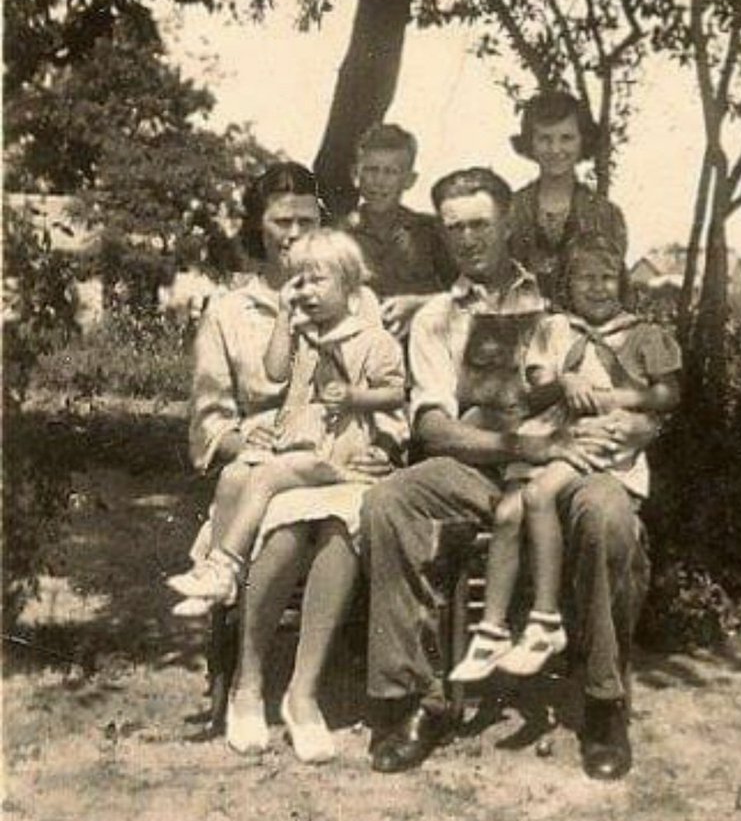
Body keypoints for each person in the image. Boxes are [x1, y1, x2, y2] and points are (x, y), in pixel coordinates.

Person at [362, 167, 658, 780]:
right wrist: (514, 442)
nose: (468, 239)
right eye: (454, 229)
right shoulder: (436, 317)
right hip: (482, 464)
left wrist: (622, 429)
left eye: (480, 224)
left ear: (506, 225)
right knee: (391, 500)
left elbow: (630, 378)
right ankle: (422, 697)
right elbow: (433, 429)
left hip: (567, 462)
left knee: (607, 513)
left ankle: (604, 703)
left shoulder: (561, 295)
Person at [177, 163, 396, 761]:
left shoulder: (359, 299)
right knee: (263, 494)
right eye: (281, 221)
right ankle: (249, 684)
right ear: (259, 225)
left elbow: (378, 380)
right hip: (261, 457)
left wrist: (380, 443)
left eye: (306, 220)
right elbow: (209, 417)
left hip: (336, 451)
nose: (294, 233)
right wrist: (241, 445)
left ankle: (303, 693)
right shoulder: (231, 308)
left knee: (336, 513)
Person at [449, 240, 681, 682]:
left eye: (607, 277)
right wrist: (566, 380)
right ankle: (493, 630)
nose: (596, 287)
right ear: (569, 284)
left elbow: (667, 395)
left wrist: (613, 397)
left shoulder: (643, 334)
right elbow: (536, 384)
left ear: (624, 283)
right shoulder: (555, 328)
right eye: (585, 278)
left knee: (537, 496)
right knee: (507, 512)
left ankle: (544, 620)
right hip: (553, 429)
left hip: (605, 434)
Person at [169, 229, 407, 613]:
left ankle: (225, 565)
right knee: (233, 477)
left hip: (340, 450)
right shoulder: (302, 334)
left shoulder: (372, 338)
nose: (307, 292)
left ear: (348, 283)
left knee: (265, 477)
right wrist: (284, 313)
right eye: (300, 282)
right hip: (297, 445)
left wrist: (354, 397)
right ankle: (219, 580)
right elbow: (275, 372)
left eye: (318, 281)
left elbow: (396, 393)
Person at [509, 91, 627, 306]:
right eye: (545, 138)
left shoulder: (606, 215)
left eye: (566, 138)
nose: (556, 149)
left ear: (583, 141)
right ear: (530, 143)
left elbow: (615, 291)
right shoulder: (510, 211)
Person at [344, 123, 453, 338]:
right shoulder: (339, 236)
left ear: (409, 180)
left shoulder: (431, 233)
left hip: (420, 352)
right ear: (355, 173)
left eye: (391, 172)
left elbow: (467, 296)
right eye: (371, 170)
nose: (379, 181)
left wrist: (420, 304)